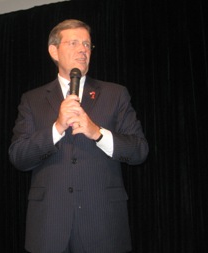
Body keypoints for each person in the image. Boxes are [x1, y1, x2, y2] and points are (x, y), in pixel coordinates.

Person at [9, 19, 148, 253]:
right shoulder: (32, 100)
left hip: (102, 225)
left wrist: (98, 133)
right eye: (73, 42)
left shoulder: (115, 94)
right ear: (54, 51)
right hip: (49, 227)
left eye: (87, 44)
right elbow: (18, 157)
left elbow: (139, 151)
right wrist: (57, 127)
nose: (83, 49)